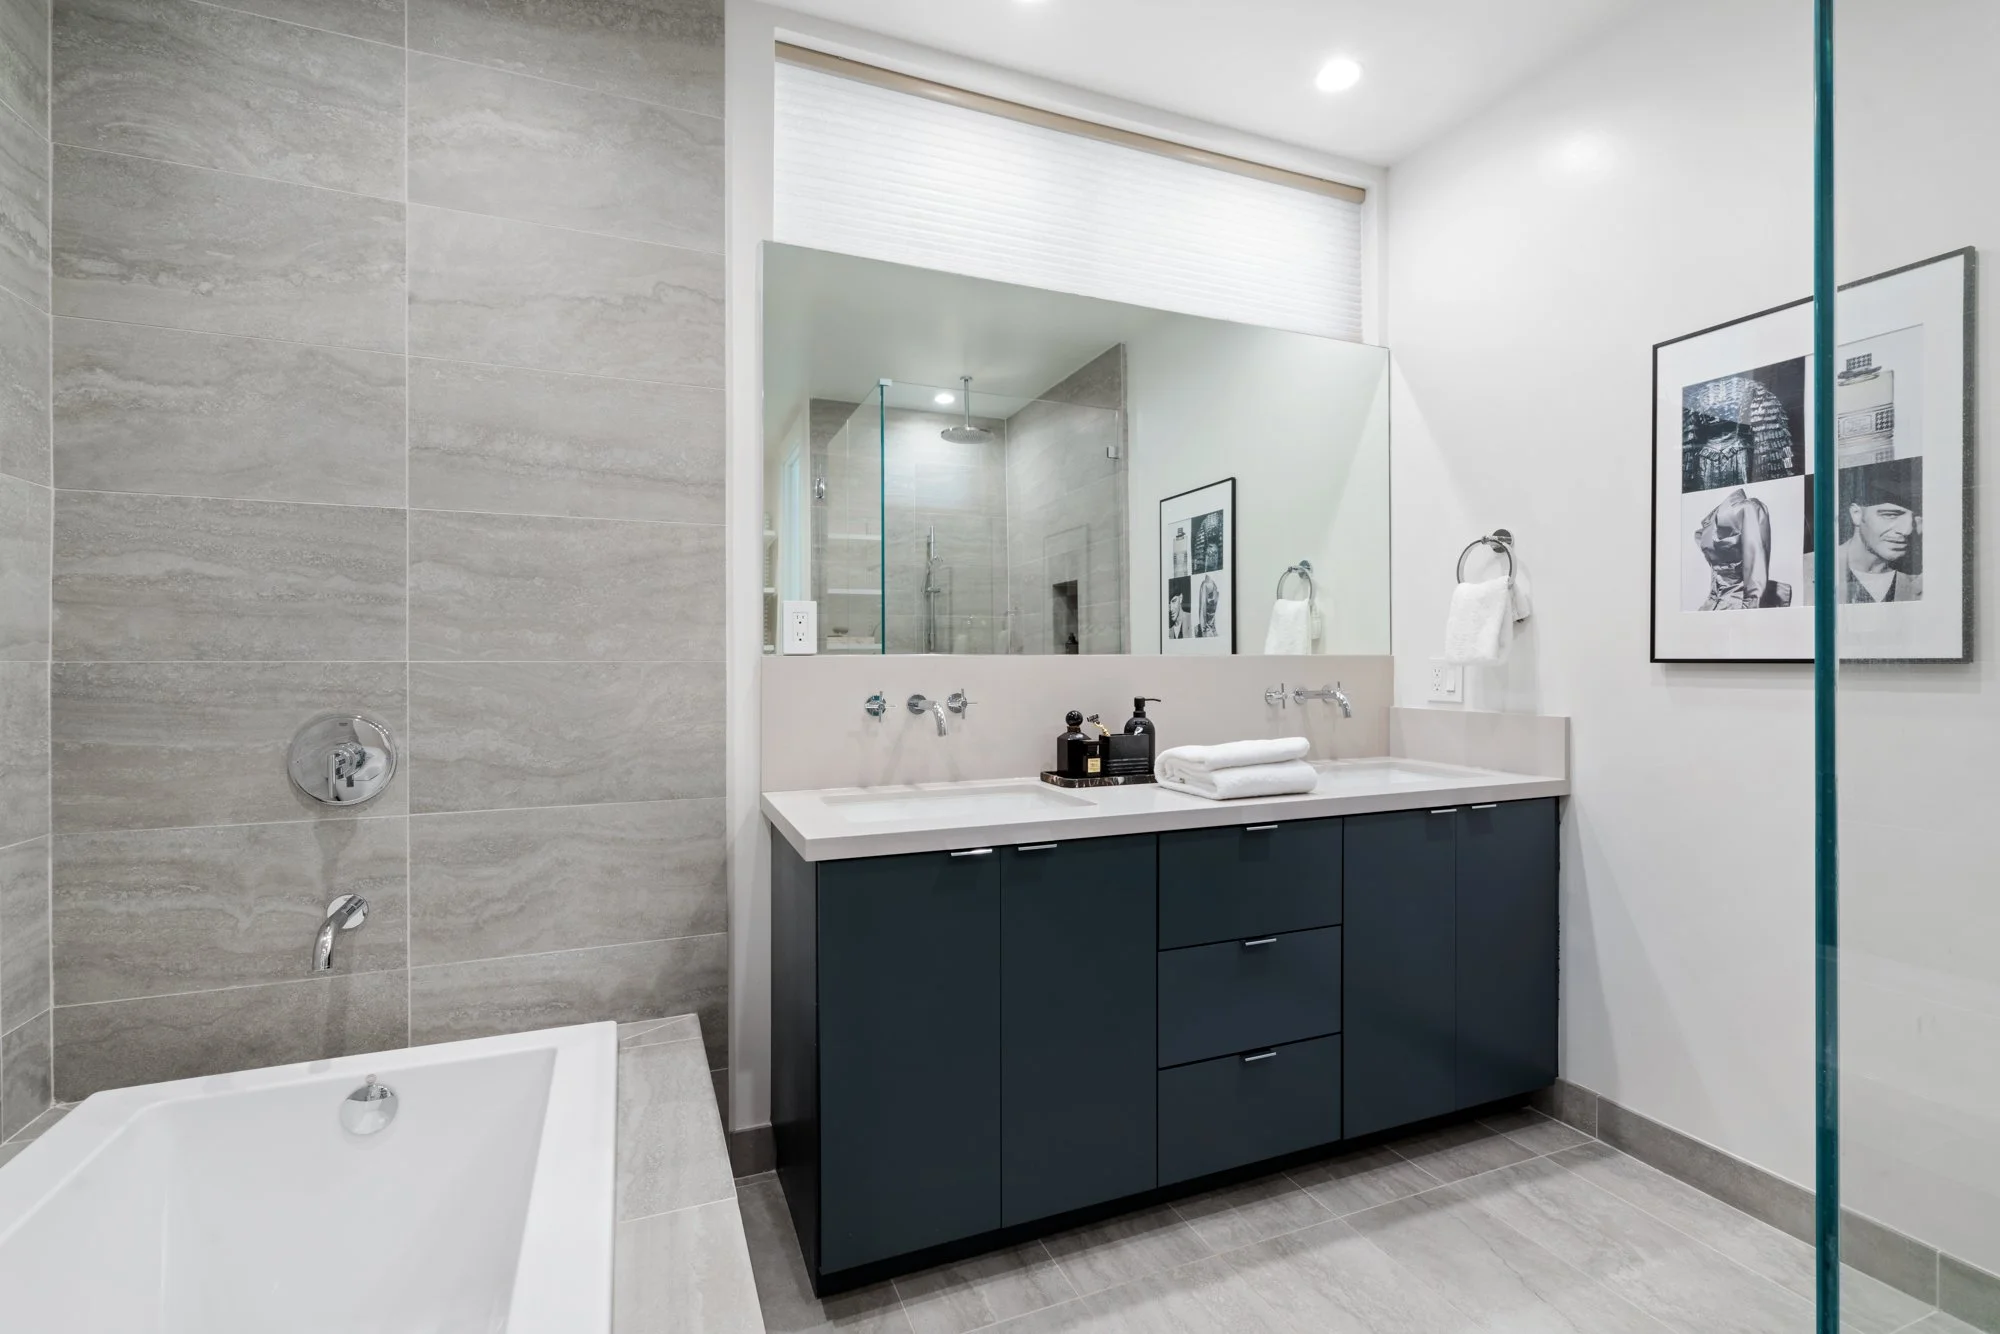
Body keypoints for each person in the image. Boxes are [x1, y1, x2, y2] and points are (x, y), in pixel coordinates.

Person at [1839, 460, 1922, 602]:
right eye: (1891, 515)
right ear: (1856, 514)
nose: (1907, 530)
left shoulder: (1925, 580)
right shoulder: (1807, 570)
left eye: (1918, 519)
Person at [1694, 488, 1791, 610]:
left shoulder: (1749, 508)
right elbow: (1718, 574)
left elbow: (1756, 566)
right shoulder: (1711, 521)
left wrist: (1749, 611)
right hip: (1714, 606)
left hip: (1738, 607)